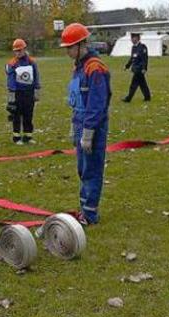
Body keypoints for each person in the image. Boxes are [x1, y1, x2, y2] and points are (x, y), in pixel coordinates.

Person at [61, 23, 111, 226]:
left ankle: (90, 213)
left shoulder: (94, 68)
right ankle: (84, 208)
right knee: (82, 168)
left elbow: (96, 104)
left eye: (69, 47)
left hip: (93, 126)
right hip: (81, 122)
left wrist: (88, 132)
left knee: (91, 169)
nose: (67, 51)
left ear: (81, 45)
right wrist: (76, 126)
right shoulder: (79, 67)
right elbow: (78, 99)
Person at [5, 38, 41, 145]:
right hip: (18, 94)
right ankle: (16, 137)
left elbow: (36, 76)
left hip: (29, 93)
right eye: (16, 51)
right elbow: (11, 80)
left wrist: (37, 90)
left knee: (28, 115)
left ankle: (28, 136)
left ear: (24, 49)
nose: (18, 52)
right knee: (17, 116)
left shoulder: (31, 62)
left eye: (20, 50)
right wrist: (11, 96)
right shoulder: (12, 64)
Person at [122, 32, 151, 103]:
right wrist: (127, 66)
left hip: (139, 69)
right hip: (135, 69)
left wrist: (144, 68)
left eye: (133, 38)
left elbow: (144, 59)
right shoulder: (134, 47)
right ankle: (147, 97)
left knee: (133, 84)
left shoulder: (142, 47)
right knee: (142, 84)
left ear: (137, 38)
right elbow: (132, 58)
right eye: (131, 38)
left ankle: (128, 98)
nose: (132, 39)